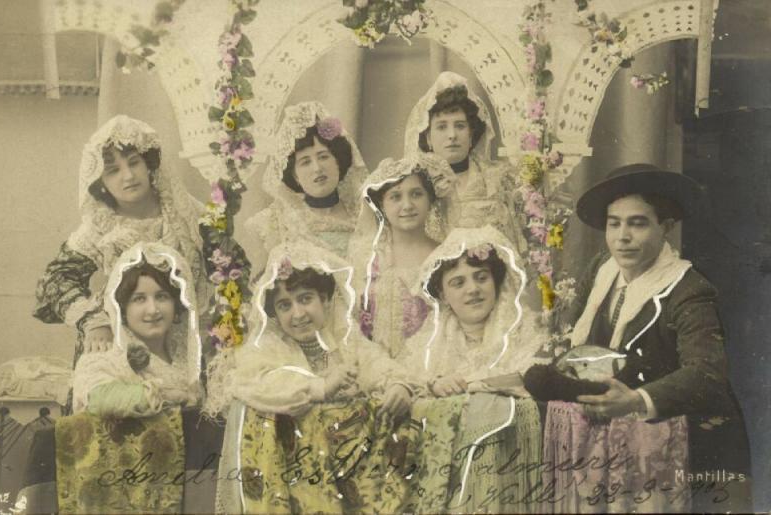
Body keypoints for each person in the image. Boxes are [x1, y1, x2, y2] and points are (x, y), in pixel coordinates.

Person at [545, 163, 752, 513]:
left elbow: (707, 373)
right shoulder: (601, 269)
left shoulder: (688, 289)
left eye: (637, 223)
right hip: (621, 438)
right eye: (615, 223)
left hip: (692, 440)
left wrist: (637, 399)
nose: (622, 236)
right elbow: (575, 344)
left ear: (665, 228)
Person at [205, 241, 418, 513]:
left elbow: (374, 363)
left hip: (351, 464)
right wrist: (321, 387)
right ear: (274, 314)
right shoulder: (268, 347)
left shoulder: (344, 338)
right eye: (284, 305)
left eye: (305, 299)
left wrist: (396, 384)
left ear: (326, 301)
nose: (298, 314)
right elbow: (259, 383)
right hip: (295, 468)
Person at [34, 115, 247, 370]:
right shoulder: (100, 226)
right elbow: (55, 281)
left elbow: (234, 269)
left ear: (149, 164)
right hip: (122, 348)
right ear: (100, 182)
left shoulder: (186, 214)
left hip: (186, 342)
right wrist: (94, 321)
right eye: (113, 170)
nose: (128, 176)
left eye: (134, 163)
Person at [400, 226, 546, 513]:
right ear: (442, 294)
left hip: (508, 466)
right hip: (448, 474)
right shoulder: (429, 341)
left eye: (481, 278)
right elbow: (408, 382)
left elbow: (529, 378)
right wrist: (433, 385)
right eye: (458, 283)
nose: (473, 290)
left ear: (496, 281)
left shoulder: (524, 329)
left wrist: (468, 386)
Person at [55, 242, 203, 513]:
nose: (152, 310)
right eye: (139, 299)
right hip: (125, 492)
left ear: (178, 302)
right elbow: (97, 399)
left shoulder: (189, 360)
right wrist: (162, 396)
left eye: (162, 297)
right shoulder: (104, 356)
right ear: (121, 307)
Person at [404, 72, 527, 255]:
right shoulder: (414, 186)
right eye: (442, 126)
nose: (452, 135)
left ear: (471, 135)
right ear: (428, 138)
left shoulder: (500, 180)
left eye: (460, 126)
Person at [350, 154, 450, 357]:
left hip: (430, 364)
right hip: (376, 366)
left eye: (416, 194)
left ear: (430, 200)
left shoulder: (445, 256)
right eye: (395, 197)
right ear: (382, 206)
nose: (407, 205)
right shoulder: (367, 258)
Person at [246, 101, 368, 259]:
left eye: (323, 157)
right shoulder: (273, 224)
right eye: (305, 162)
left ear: (338, 160)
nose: (317, 168)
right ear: (295, 176)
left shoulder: (364, 214)